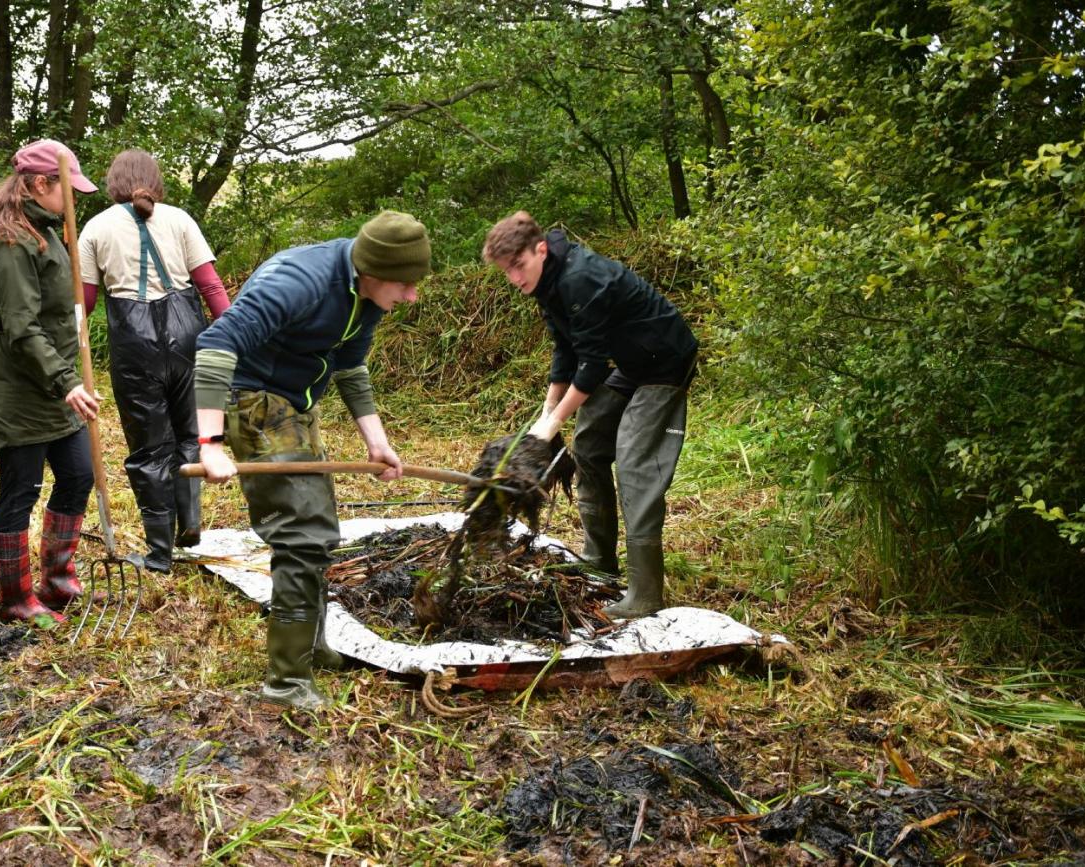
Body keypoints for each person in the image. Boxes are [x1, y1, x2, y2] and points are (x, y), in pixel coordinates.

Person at [194, 211, 431, 709]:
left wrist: (377, 441)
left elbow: (350, 364)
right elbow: (216, 344)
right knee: (302, 534)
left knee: (318, 526)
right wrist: (210, 444)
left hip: (295, 404)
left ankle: (312, 644)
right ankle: (286, 682)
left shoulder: (365, 297)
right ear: (373, 270)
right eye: (406, 285)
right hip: (252, 398)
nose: (412, 297)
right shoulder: (297, 282)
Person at [483, 211, 698, 619]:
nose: (514, 278)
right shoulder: (546, 283)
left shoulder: (579, 278)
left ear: (540, 250)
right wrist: (546, 413)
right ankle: (600, 557)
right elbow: (566, 350)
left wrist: (554, 422)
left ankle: (646, 594)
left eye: (518, 266)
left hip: (666, 361)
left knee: (635, 464)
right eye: (506, 271)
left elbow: (593, 365)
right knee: (588, 446)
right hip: (635, 363)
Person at [78, 149, 230, 572]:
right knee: (190, 434)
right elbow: (210, 286)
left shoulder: (94, 229)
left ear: (113, 184)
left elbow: (84, 303)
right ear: (155, 181)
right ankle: (190, 523)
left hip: (134, 344)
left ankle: (160, 553)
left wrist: (65, 340)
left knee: (149, 448)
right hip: (188, 337)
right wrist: (236, 334)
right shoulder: (180, 219)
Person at [0, 139, 100, 624]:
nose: (74, 200)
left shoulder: (48, 231)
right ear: (41, 183)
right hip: (22, 388)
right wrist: (67, 380)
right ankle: (16, 600)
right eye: (68, 189)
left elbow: (59, 311)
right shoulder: (12, 242)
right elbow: (21, 328)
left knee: (78, 475)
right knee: (20, 490)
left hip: (57, 384)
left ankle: (57, 579)